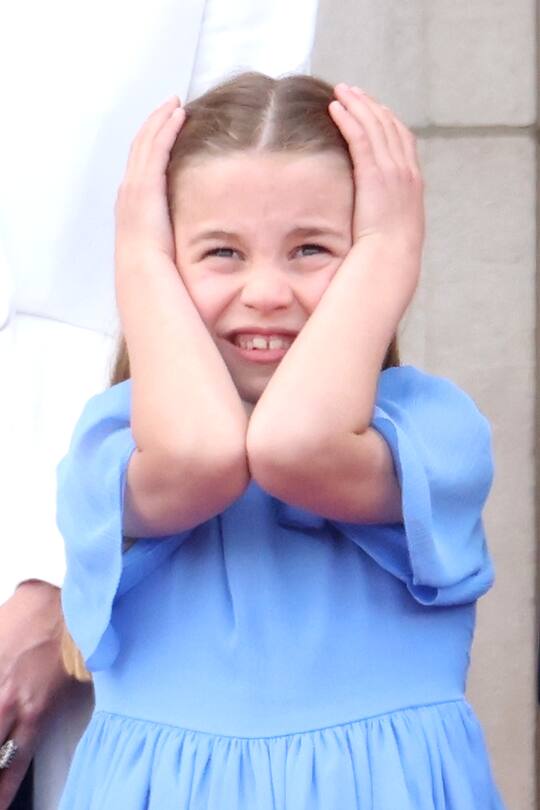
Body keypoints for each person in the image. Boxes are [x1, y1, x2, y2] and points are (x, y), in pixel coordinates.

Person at [55, 71, 506, 808]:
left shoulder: (430, 431)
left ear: (371, 263)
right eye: (222, 252)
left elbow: (295, 447)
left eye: (311, 250)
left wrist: (391, 246)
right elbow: (205, 454)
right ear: (162, 265)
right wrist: (138, 258)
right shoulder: (115, 442)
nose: (266, 292)